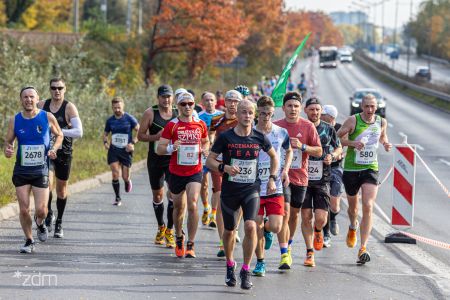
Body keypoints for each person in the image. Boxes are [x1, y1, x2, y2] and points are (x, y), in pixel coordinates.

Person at [206, 99, 278, 290]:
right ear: (237, 115)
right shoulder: (226, 137)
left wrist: (271, 178)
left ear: (254, 115)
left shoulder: (259, 137)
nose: (247, 116)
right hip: (230, 190)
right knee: (229, 231)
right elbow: (209, 161)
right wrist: (225, 167)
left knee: (251, 226)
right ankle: (230, 265)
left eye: (250, 113)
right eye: (243, 112)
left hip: (251, 189)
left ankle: (246, 269)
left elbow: (274, 157)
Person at [4, 87, 63, 253]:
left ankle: (40, 222)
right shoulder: (15, 120)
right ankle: (29, 240)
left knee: (41, 210)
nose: (28, 100)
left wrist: (54, 148)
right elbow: (8, 142)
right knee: (23, 209)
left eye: (31, 97)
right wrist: (8, 150)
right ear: (21, 100)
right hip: (21, 169)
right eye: (25, 97)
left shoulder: (47, 116)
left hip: (41, 169)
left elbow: (60, 135)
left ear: (37, 99)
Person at [337, 94, 392, 264]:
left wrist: (385, 144)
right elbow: (338, 137)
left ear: (376, 107)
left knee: (368, 205)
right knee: (353, 209)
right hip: (352, 169)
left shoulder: (381, 122)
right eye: (367, 106)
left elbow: (382, 136)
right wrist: (353, 143)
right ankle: (353, 226)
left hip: (370, 168)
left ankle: (363, 248)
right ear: (362, 106)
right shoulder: (353, 120)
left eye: (372, 107)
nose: (369, 110)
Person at [157, 92, 209, 259]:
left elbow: (206, 141)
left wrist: (204, 149)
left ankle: (191, 244)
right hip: (176, 172)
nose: (187, 107)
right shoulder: (172, 125)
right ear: (178, 106)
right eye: (183, 104)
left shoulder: (200, 124)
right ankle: (179, 236)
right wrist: (172, 147)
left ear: (194, 105)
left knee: (193, 204)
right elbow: (160, 148)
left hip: (195, 170)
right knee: (179, 207)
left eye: (190, 103)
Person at [274, 92, 322, 269]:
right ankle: (284, 252)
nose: (293, 109)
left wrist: (302, 146)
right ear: (283, 108)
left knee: (294, 215)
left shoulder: (308, 126)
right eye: (289, 106)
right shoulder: (276, 126)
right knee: (285, 213)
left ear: (300, 108)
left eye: (296, 106)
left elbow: (319, 151)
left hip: (301, 177)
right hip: (281, 176)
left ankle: (289, 242)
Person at [252, 96, 292, 277]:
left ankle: (268, 231)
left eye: (268, 113)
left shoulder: (281, 132)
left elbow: (289, 150)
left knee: (276, 226)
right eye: (262, 114)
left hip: (274, 185)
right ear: (257, 113)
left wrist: (286, 170)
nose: (266, 117)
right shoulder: (250, 132)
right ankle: (260, 262)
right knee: (256, 226)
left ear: (272, 113)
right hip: (253, 187)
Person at [39, 78, 83, 238]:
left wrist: (58, 131)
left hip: (64, 152)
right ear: (50, 89)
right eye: (53, 88)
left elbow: (79, 132)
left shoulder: (69, 107)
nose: (57, 91)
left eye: (60, 88)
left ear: (65, 89)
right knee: (47, 185)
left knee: (61, 190)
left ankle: (59, 222)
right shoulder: (42, 105)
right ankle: (49, 213)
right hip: (46, 152)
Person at [302, 98, 342, 267]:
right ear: (306, 111)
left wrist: (331, 156)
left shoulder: (328, 129)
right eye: (312, 109)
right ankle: (309, 252)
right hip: (302, 178)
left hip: (322, 179)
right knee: (305, 217)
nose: (315, 112)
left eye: (317, 110)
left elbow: (339, 148)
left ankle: (319, 231)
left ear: (321, 111)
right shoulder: (301, 127)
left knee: (320, 218)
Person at [137, 84, 177, 248]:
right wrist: (156, 137)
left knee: (174, 195)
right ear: (158, 98)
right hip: (155, 160)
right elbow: (140, 136)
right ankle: (161, 226)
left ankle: (170, 230)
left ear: (172, 98)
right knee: (158, 196)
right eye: (163, 97)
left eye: (168, 96)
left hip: (172, 160)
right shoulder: (150, 113)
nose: (166, 100)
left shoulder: (177, 113)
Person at [208, 90, 242, 256]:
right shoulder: (217, 119)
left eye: (236, 101)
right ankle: (223, 240)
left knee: (240, 202)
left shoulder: (243, 119)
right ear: (225, 102)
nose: (233, 104)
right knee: (222, 199)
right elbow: (210, 135)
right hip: (220, 164)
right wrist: (208, 148)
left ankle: (233, 230)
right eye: (230, 101)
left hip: (239, 165)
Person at [103, 97, 139, 206]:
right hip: (114, 150)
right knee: (115, 173)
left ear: (123, 106)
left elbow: (139, 130)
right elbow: (105, 134)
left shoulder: (129, 118)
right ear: (112, 108)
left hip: (126, 150)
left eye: (119, 107)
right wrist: (105, 143)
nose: (117, 110)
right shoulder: (110, 120)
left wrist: (132, 143)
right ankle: (117, 198)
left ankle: (127, 181)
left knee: (125, 176)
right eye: (115, 108)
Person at [320, 105, 344, 244]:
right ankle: (326, 233)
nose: (321, 116)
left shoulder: (339, 127)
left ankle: (333, 217)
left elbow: (342, 143)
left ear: (331, 117)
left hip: (335, 168)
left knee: (334, 206)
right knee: (324, 202)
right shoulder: (317, 127)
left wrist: (337, 153)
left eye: (323, 114)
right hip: (321, 169)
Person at [198, 92, 223, 225]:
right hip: (203, 155)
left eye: (211, 100)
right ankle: (206, 206)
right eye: (206, 100)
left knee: (217, 187)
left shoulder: (221, 116)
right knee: (204, 184)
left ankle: (213, 214)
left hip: (217, 155)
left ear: (215, 102)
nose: (209, 102)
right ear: (202, 102)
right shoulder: (198, 117)